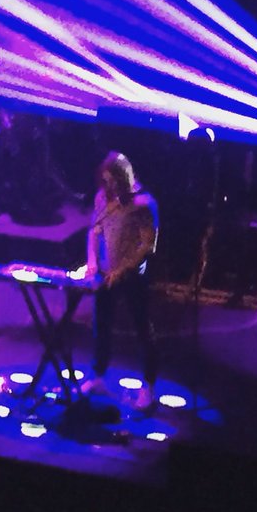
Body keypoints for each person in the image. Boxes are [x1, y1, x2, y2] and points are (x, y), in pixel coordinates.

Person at [84, 151, 159, 410]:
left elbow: (147, 245)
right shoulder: (102, 198)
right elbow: (94, 230)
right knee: (101, 324)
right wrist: (92, 261)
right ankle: (98, 376)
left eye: (114, 181)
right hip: (105, 273)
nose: (110, 187)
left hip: (133, 274)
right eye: (106, 181)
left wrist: (124, 269)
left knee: (142, 327)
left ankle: (148, 386)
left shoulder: (143, 202)